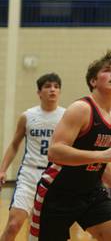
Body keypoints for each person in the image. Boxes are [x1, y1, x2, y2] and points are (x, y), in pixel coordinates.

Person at [29, 51, 111, 240]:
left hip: (92, 192)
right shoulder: (81, 108)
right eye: (108, 71)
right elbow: (55, 152)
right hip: (58, 193)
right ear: (93, 81)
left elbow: (103, 162)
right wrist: (102, 156)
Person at [0, 73, 65, 241]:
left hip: (55, 176)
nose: (53, 90)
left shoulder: (67, 116)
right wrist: (2, 170)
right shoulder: (27, 116)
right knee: (14, 225)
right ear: (39, 92)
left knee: (44, 229)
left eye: (56, 87)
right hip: (29, 174)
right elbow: (15, 144)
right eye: (48, 86)